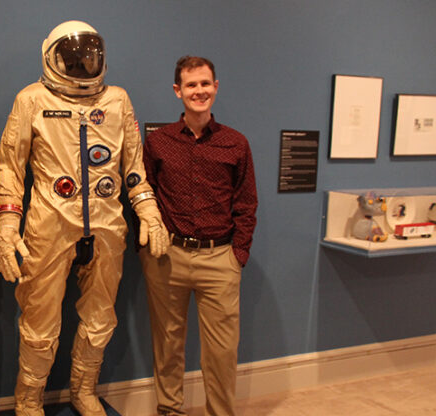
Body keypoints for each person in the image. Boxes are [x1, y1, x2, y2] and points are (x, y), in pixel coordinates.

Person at [0, 21, 169, 416]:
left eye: (88, 57)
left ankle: (84, 390)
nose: (81, 64)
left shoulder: (117, 101)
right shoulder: (31, 100)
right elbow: (10, 168)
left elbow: (134, 167)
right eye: (71, 58)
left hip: (107, 225)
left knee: (101, 316)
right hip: (49, 224)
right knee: (39, 321)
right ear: (51, 57)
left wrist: (148, 211)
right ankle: (28, 400)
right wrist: (7, 228)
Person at [140, 56, 258, 416]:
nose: (199, 91)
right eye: (191, 85)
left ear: (216, 87)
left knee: (221, 352)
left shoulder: (235, 143)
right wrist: (145, 248)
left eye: (205, 83)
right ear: (178, 91)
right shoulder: (158, 143)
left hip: (219, 259)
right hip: (167, 258)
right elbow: (143, 194)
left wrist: (238, 255)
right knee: (168, 344)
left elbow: (246, 202)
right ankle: (169, 409)